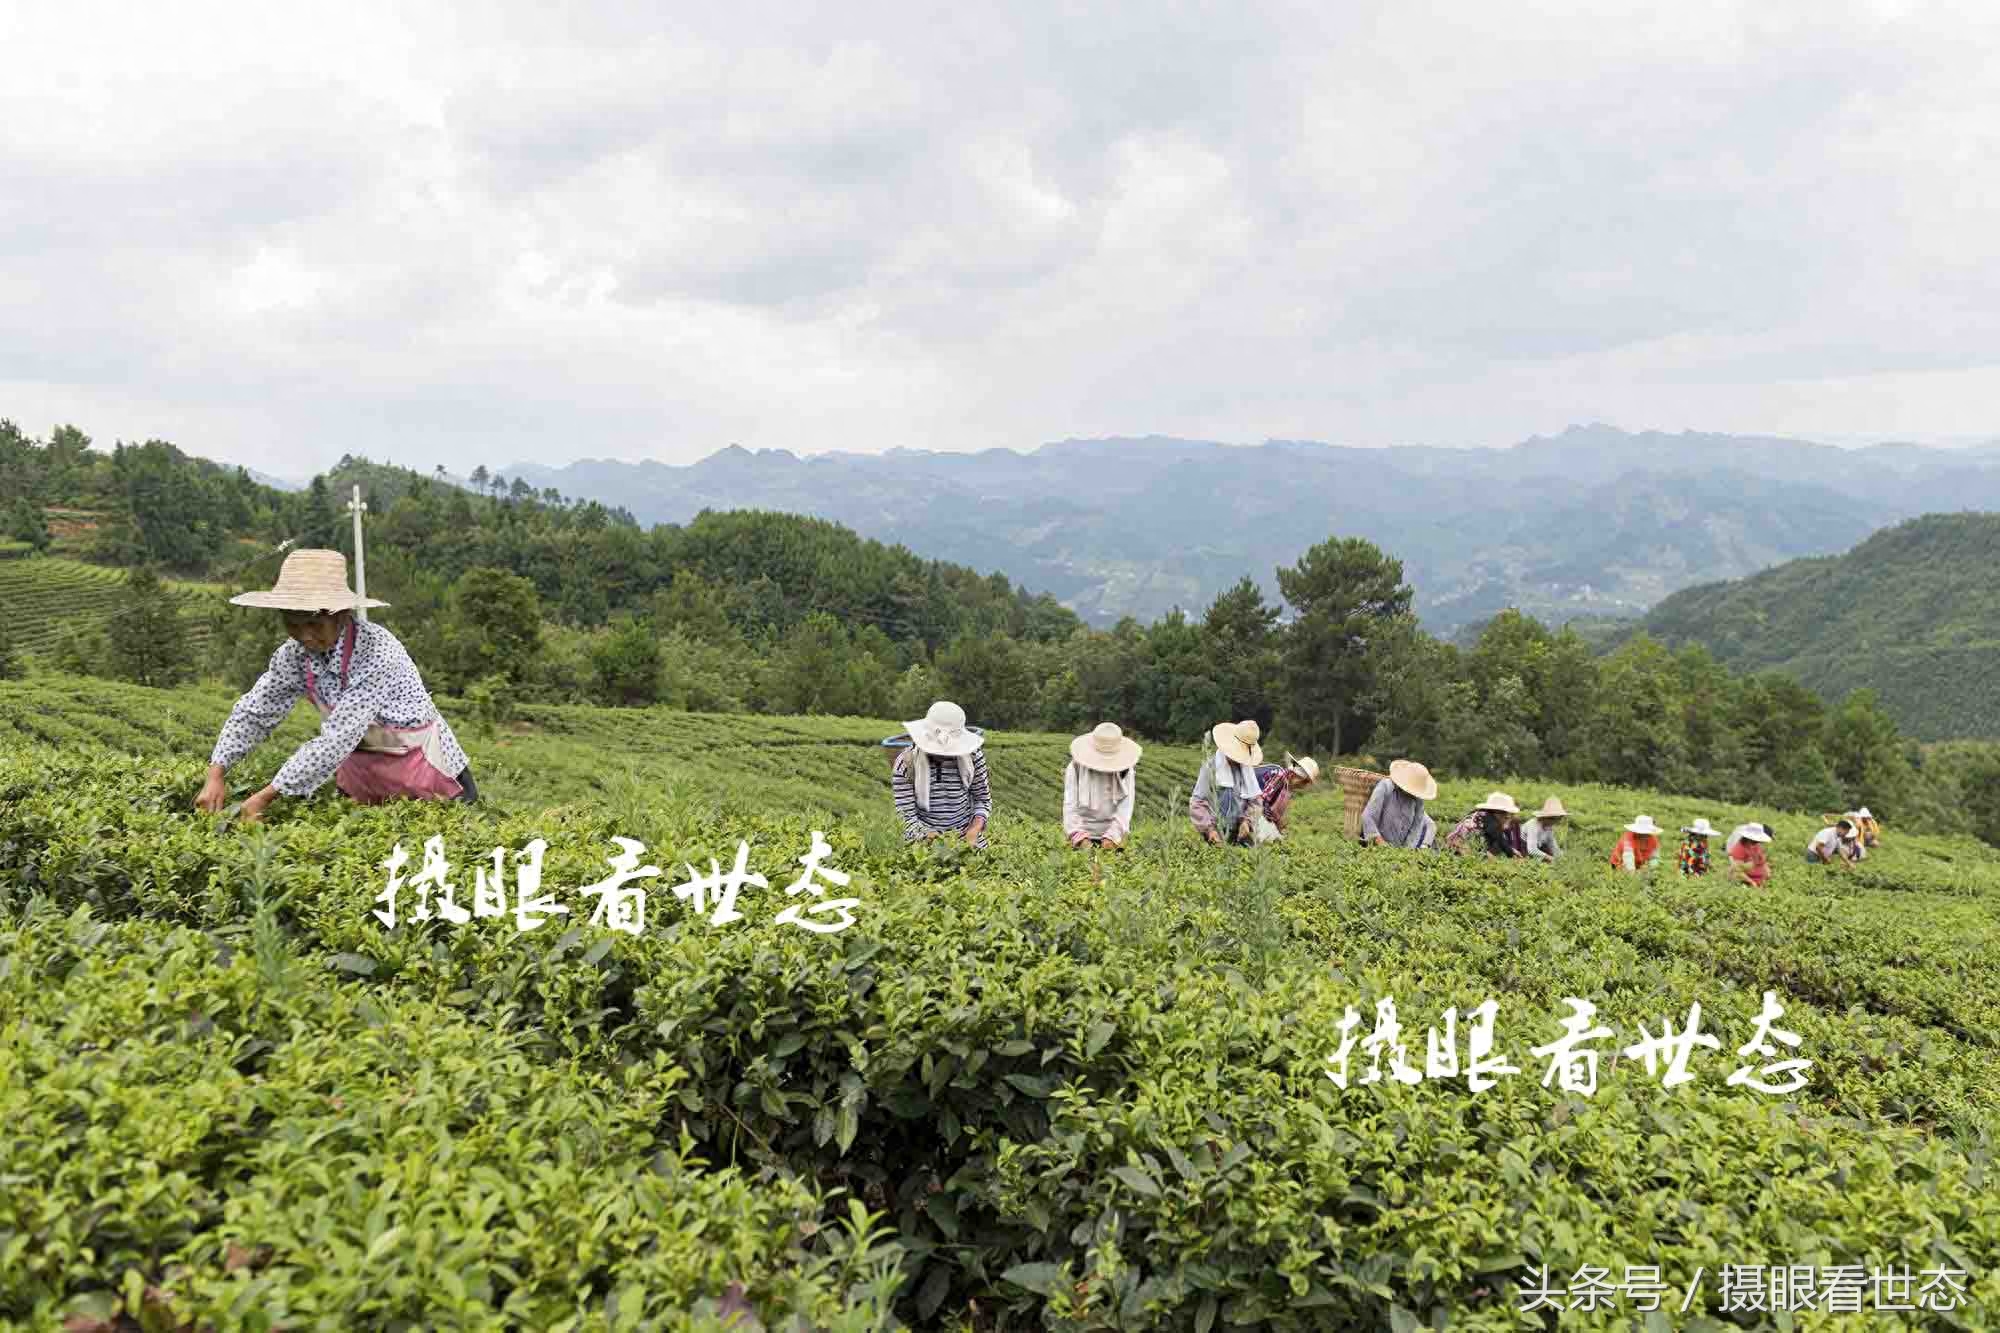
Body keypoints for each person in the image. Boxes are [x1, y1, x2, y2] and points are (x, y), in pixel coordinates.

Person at [196, 549, 475, 825]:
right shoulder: (293, 656)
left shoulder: (377, 652)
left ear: (342, 614)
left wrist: (265, 797)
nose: (305, 635)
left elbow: (337, 739)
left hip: (426, 771)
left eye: (315, 624)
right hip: (363, 777)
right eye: (292, 624)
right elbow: (255, 712)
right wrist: (216, 773)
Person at [893, 700, 992, 847]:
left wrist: (974, 830)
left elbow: (982, 800)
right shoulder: (906, 763)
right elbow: (906, 817)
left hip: (966, 837)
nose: (942, 754)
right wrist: (932, 838)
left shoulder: (973, 757)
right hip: (922, 841)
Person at [1064, 721, 1140, 850]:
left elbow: (1125, 807)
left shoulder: (1126, 770)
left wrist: (1112, 836)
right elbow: (1070, 804)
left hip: (1115, 836)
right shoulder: (1076, 767)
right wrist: (1079, 836)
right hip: (1081, 833)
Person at [1190, 719, 1267, 845]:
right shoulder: (1211, 767)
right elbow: (1197, 802)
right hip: (1215, 831)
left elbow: (1255, 800)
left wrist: (1247, 822)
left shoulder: (1246, 770)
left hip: (1239, 831)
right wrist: (1209, 830)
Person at [1360, 759, 1438, 850]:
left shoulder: (1418, 800)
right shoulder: (1386, 786)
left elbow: (1415, 829)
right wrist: (1380, 842)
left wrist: (1406, 850)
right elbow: (1368, 816)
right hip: (1375, 846)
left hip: (1398, 850)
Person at [1252, 753, 1320, 837]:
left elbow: (1272, 807)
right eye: (1305, 782)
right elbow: (1262, 801)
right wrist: (1273, 822)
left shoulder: (1286, 784)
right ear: (1295, 775)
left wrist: (1277, 823)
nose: (1303, 786)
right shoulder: (1280, 775)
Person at [1444, 792, 1527, 858]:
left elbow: (1498, 837)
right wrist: (1511, 853)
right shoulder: (1489, 819)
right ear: (1498, 812)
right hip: (1458, 845)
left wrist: (1511, 851)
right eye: (1505, 814)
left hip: (1457, 844)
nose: (1507, 816)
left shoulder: (1481, 815)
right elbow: (1497, 837)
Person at [1727, 823, 1773, 887]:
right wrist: (1751, 882)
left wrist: (1767, 871)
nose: (1757, 842)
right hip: (1744, 881)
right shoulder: (1739, 849)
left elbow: (1762, 861)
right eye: (1754, 840)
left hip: (1759, 880)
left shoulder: (1756, 845)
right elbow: (1737, 871)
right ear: (1748, 838)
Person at [1521, 797, 1566, 861]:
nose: (1558, 821)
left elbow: (1552, 844)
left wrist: (1561, 856)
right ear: (1547, 817)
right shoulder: (1533, 825)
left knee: (1550, 855)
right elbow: (1531, 849)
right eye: (1557, 819)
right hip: (1523, 846)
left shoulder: (1548, 826)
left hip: (1538, 845)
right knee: (1534, 860)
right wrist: (1549, 857)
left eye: (1559, 818)